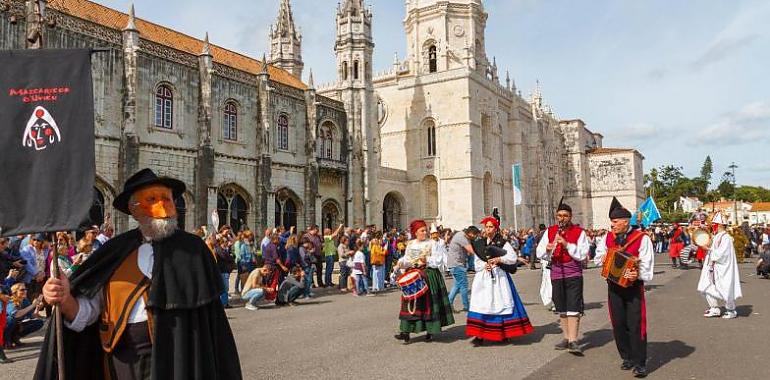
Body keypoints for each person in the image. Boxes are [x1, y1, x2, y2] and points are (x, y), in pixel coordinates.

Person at [36, 168, 241, 380]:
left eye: (167, 198)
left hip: (177, 360)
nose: (162, 206)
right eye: (151, 199)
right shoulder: (114, 251)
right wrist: (65, 298)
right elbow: (89, 312)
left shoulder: (193, 250)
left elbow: (211, 325)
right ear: (133, 209)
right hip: (121, 362)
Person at [593, 197, 654, 378]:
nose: (612, 226)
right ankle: (627, 357)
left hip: (634, 288)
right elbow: (598, 257)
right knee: (618, 323)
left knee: (636, 324)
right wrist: (602, 259)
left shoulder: (642, 239)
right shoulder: (607, 238)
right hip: (614, 287)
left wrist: (638, 275)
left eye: (614, 222)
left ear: (625, 222)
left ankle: (640, 362)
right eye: (611, 222)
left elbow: (647, 265)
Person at [466, 216, 533, 346]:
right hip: (483, 278)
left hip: (499, 276)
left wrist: (499, 260)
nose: (488, 229)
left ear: (496, 229)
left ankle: (503, 333)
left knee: (500, 301)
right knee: (481, 303)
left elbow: (512, 257)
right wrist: (483, 266)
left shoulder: (502, 242)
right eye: (487, 227)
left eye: (491, 227)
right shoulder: (480, 243)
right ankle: (479, 335)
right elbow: (477, 262)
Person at [536, 199, 590, 354]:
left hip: (573, 272)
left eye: (565, 215)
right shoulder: (550, 231)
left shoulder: (579, 233)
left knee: (573, 307)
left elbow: (582, 254)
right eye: (559, 215)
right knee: (561, 307)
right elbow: (540, 252)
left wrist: (566, 244)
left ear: (570, 216)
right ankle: (566, 337)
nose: (562, 218)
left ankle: (573, 340)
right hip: (556, 273)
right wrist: (547, 248)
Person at [394, 220, 454, 343]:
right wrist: (401, 263)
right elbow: (407, 259)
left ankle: (430, 330)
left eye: (425, 230)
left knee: (428, 304)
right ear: (415, 232)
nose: (425, 232)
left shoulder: (433, 243)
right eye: (422, 230)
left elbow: (439, 260)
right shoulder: (411, 244)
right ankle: (405, 332)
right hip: (413, 273)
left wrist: (427, 259)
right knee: (409, 302)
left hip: (428, 273)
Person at [697, 212, 742, 319]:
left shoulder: (725, 237)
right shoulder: (717, 236)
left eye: (714, 224)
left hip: (722, 268)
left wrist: (708, 249)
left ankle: (731, 310)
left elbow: (722, 254)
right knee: (705, 286)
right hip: (711, 267)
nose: (713, 226)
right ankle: (714, 308)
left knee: (726, 288)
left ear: (720, 225)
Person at [446, 226, 479, 313]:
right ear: (471, 233)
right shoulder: (462, 237)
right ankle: (466, 306)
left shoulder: (463, 236)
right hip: (457, 264)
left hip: (455, 264)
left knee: (457, 285)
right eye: (475, 235)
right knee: (464, 286)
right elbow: (471, 251)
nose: (475, 237)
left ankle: (448, 304)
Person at [4, 283, 44, 348]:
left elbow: (32, 316)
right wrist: (33, 305)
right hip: (5, 327)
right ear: (15, 292)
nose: (25, 291)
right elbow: (16, 314)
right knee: (11, 319)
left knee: (39, 322)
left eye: (26, 289)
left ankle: (15, 337)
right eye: (22, 290)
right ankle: (6, 340)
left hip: (17, 325)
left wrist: (37, 308)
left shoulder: (25, 300)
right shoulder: (10, 301)